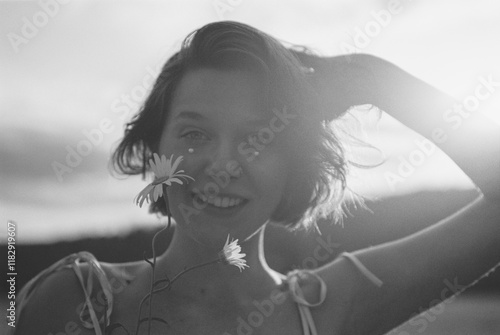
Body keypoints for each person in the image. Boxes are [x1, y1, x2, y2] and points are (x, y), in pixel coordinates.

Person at [14, 21, 500, 335]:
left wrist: (371, 78)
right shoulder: (78, 302)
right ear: (155, 147)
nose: (224, 164)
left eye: (259, 138)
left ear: (296, 163)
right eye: (194, 132)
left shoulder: (334, 310)